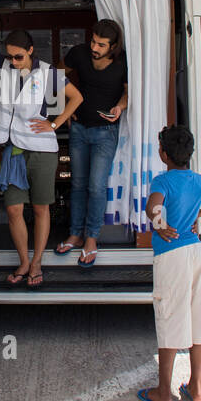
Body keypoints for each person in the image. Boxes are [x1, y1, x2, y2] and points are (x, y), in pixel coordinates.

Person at [0, 9, 84, 289]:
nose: (13, 62)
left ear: (31, 50)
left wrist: (54, 124)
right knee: (13, 209)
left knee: (40, 208)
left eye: (19, 56)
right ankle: (23, 261)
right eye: (10, 56)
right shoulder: (4, 65)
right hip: (13, 149)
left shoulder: (49, 72)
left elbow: (77, 97)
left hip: (41, 150)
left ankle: (36, 262)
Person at [137, 126, 201, 401]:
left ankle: (164, 392)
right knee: (196, 318)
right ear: (189, 154)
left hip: (172, 257)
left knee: (169, 317)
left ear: (163, 154)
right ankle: (196, 387)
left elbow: (151, 207)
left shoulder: (162, 181)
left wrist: (161, 225)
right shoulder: (199, 181)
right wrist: (199, 215)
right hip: (195, 253)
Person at [55, 19, 128, 266]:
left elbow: (127, 92)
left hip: (106, 132)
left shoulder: (123, 61)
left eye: (101, 44)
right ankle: (75, 234)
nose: (94, 47)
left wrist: (120, 107)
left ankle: (91, 239)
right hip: (78, 129)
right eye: (93, 41)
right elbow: (55, 76)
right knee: (77, 184)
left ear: (113, 46)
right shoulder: (78, 53)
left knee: (96, 187)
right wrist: (65, 108)